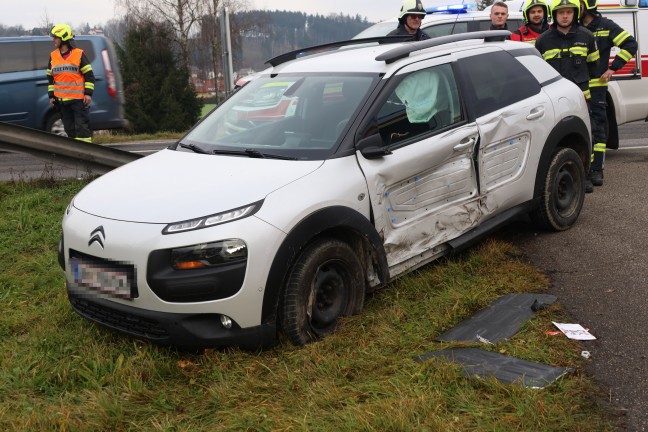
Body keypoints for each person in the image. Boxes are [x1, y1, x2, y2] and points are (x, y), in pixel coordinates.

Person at [535, 0, 599, 192]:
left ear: (574, 13)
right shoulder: (543, 40)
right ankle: (556, 177)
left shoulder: (587, 36)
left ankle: (585, 175)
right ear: (554, 15)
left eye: (569, 12)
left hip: (580, 99)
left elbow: (593, 68)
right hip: (552, 100)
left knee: (586, 136)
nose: (565, 16)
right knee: (554, 137)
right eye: (561, 12)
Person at [580, 0, 637, 187]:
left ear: (587, 5)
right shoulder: (573, 27)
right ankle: (584, 170)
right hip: (577, 87)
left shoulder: (605, 25)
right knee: (582, 128)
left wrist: (613, 68)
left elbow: (630, 44)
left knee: (598, 127)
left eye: (577, 3)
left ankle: (597, 170)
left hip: (597, 86)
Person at [47, 24, 95, 143]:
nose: (54, 40)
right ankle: (75, 155)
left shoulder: (78, 54)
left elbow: (89, 76)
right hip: (62, 102)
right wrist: (51, 96)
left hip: (78, 101)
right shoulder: (53, 56)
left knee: (82, 129)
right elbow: (50, 77)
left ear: (63, 38)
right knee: (69, 130)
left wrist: (88, 94)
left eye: (56, 37)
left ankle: (87, 154)